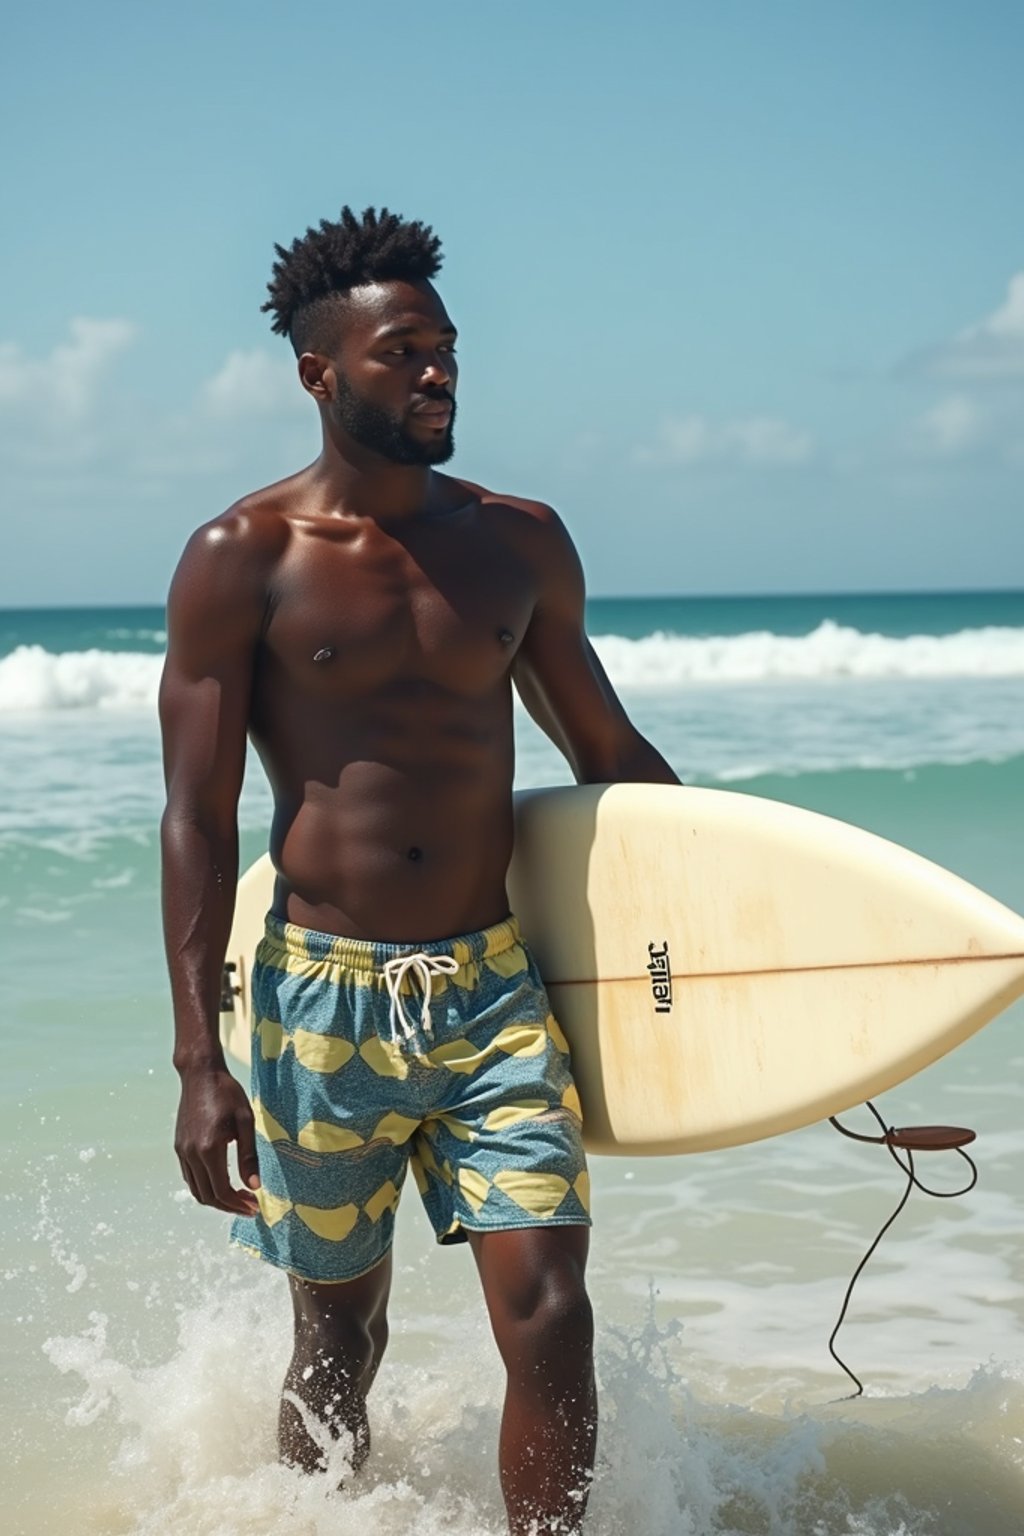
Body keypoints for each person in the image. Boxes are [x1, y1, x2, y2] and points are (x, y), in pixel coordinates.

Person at [159, 205, 678, 1535]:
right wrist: (200, 1065)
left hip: (494, 992)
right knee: (341, 1340)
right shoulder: (245, 558)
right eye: (404, 354)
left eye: (446, 348)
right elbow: (197, 819)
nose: (439, 372)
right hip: (318, 1006)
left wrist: (745, 909)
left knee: (552, 1312)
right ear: (319, 374)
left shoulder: (519, 542)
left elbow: (605, 745)